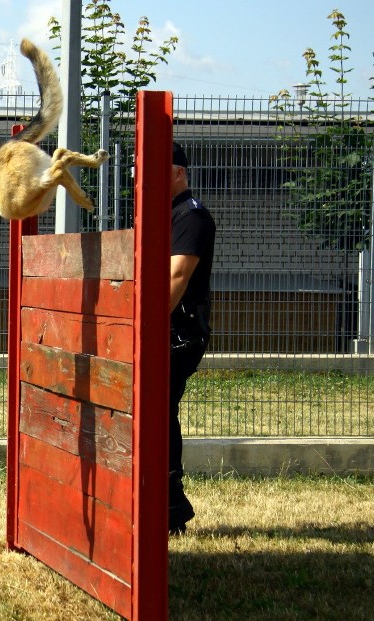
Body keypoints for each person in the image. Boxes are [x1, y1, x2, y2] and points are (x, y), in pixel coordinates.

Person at [168, 142, 216, 535]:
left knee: (158, 412)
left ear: (179, 173)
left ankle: (171, 510)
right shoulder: (161, 216)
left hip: (178, 333)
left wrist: (141, 327)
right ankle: (166, 506)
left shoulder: (192, 218)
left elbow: (175, 279)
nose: (137, 179)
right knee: (156, 413)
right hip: (161, 330)